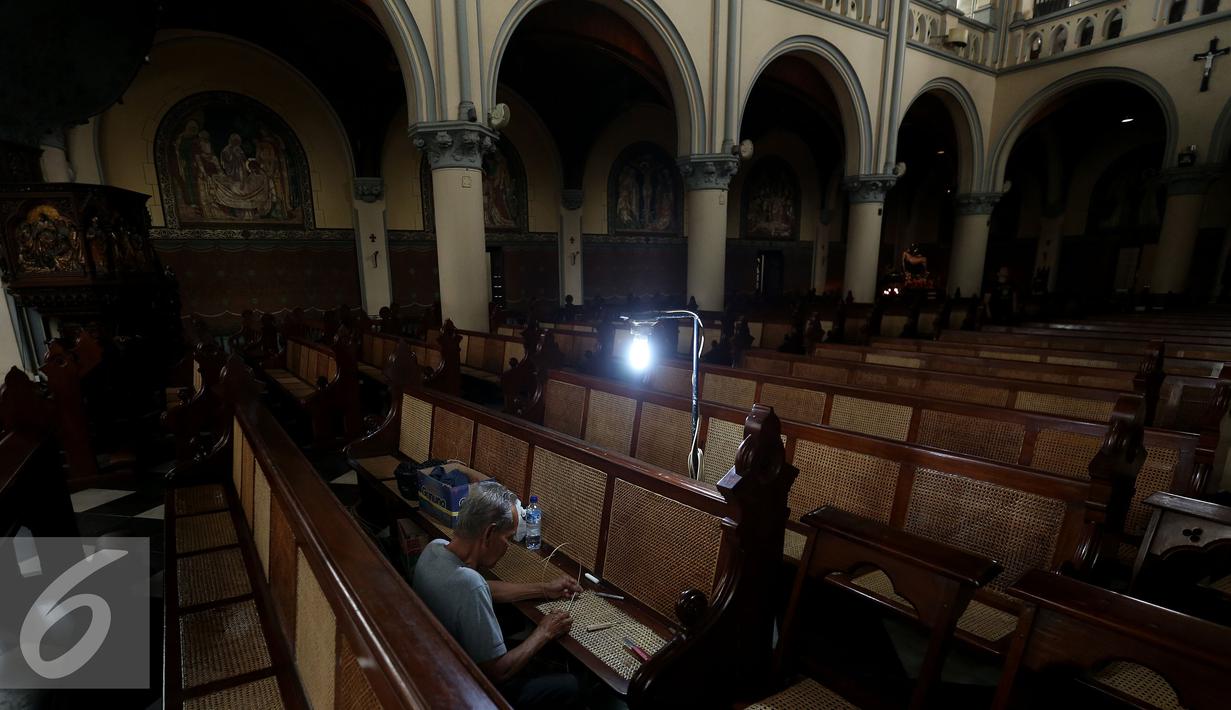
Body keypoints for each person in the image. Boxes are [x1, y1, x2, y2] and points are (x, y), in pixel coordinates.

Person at [413, 481, 584, 708]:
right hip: (469, 690)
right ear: (489, 533)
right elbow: (498, 672)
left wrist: (544, 589)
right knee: (572, 685)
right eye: (508, 538)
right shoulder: (470, 586)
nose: (508, 547)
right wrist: (545, 631)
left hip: (440, 662)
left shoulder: (434, 548)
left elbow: (484, 587)